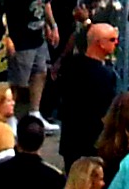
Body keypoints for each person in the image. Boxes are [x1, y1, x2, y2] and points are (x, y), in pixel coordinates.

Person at [46, 19, 123, 172]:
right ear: (100, 43)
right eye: (112, 39)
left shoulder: (70, 66)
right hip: (93, 141)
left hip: (70, 139)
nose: (116, 43)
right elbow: (106, 109)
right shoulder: (104, 75)